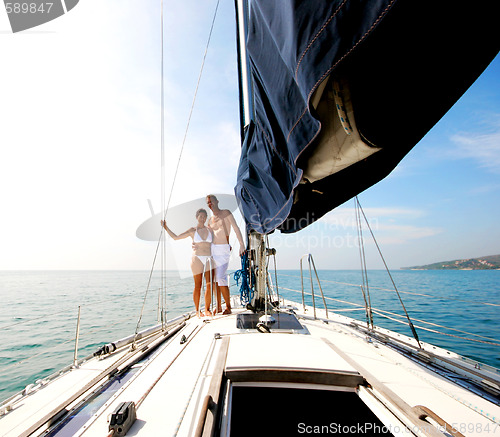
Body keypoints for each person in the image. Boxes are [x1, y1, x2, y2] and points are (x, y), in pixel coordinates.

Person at [161, 208, 214, 317]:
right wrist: (166, 228)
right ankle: (198, 310)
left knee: (210, 284)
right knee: (198, 285)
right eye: (201, 216)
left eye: (204, 216)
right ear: (197, 217)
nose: (203, 218)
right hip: (197, 259)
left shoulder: (210, 230)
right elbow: (176, 238)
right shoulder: (192, 230)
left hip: (208, 258)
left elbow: (217, 242)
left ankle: (207, 309)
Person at [205, 194, 245, 314]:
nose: (209, 204)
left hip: (223, 250)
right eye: (208, 203)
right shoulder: (209, 220)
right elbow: (209, 237)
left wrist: (241, 244)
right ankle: (219, 306)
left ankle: (228, 306)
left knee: (221, 277)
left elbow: (236, 228)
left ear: (217, 201)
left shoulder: (226, 213)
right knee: (214, 280)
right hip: (213, 250)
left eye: (211, 201)